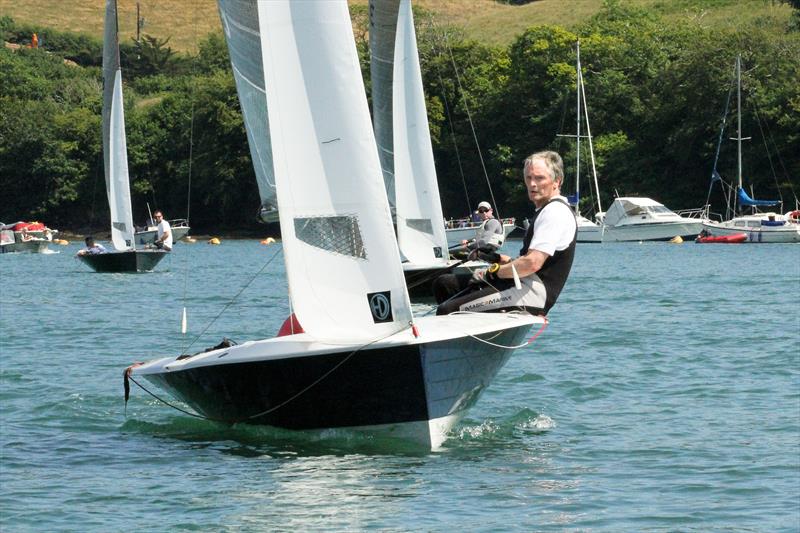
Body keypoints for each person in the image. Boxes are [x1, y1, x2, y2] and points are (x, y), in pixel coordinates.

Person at [434, 151, 577, 316]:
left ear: (556, 182)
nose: (532, 184)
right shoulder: (546, 209)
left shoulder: (554, 211)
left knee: (447, 310)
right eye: (529, 178)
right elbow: (528, 261)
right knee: (444, 284)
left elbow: (532, 264)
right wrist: (496, 259)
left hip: (533, 293)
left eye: (539, 178)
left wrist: (490, 273)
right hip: (520, 283)